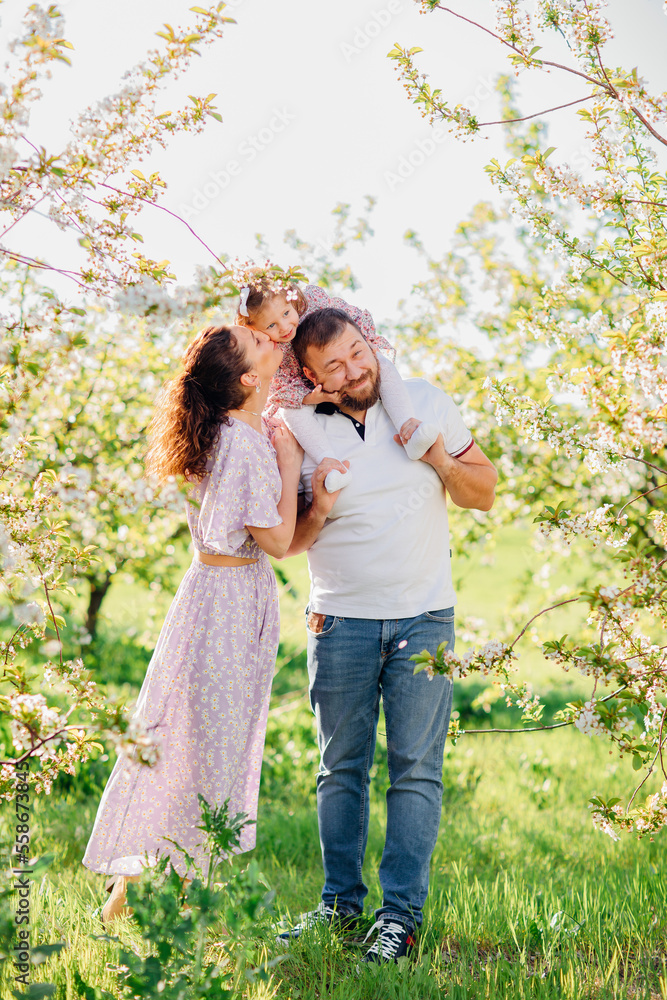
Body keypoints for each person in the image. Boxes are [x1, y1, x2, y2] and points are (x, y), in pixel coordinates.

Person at [276, 307, 497, 965]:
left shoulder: (424, 400)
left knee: (415, 773)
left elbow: (481, 492)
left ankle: (397, 919)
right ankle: (338, 910)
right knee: (339, 770)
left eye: (355, 353)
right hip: (338, 620)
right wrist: (320, 499)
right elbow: (286, 540)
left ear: (368, 343)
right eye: (332, 367)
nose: (352, 372)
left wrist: (434, 454)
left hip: (425, 618)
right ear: (311, 376)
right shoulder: (292, 426)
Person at [82, 323, 303, 923]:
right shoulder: (250, 444)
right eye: (258, 342)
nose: (269, 337)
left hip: (211, 592)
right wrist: (298, 473)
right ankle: (174, 891)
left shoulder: (226, 430)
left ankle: (138, 887)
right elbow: (280, 540)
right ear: (248, 379)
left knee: (182, 733)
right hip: (230, 601)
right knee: (212, 744)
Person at [235, 268, 439, 493]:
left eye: (285, 314)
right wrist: (312, 397)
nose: (284, 328)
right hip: (303, 388)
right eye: (271, 325)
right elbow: (281, 391)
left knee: (382, 363)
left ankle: (408, 428)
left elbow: (350, 318)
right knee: (290, 412)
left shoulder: (312, 301)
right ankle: (329, 463)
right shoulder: (274, 350)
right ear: (255, 330)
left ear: (292, 297)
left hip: (340, 360)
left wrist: (364, 343)